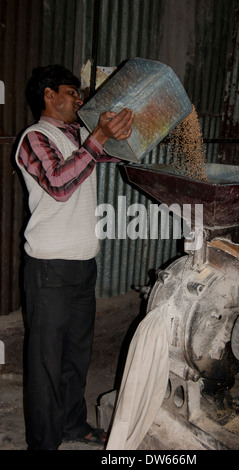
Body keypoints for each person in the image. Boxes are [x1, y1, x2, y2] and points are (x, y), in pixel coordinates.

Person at [15, 64, 133, 450]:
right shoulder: (35, 137)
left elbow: (116, 156)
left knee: (76, 357)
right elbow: (60, 183)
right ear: (49, 95)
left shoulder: (80, 136)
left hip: (84, 266)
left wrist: (122, 132)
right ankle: (44, 443)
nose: (79, 99)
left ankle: (72, 424)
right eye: (72, 91)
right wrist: (97, 137)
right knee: (46, 365)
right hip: (49, 269)